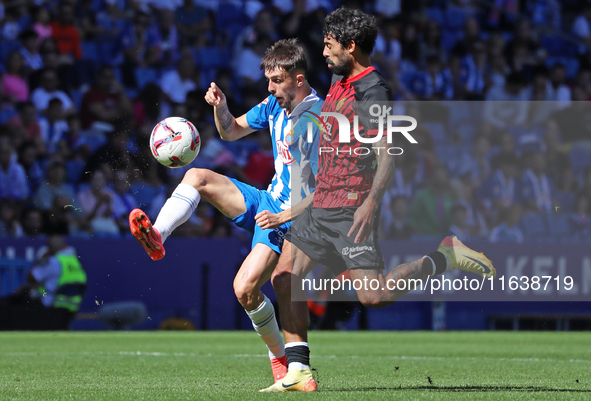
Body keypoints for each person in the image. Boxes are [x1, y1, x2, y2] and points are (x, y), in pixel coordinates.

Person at [256, 8, 496, 392]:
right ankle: (299, 370)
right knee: (285, 277)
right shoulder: (338, 77)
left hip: (352, 207)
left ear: (351, 46)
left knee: (374, 296)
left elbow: (387, 153)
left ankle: (444, 257)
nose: (323, 52)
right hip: (321, 204)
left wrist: (370, 203)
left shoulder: (373, 91)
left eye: (330, 45)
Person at [128, 39, 322, 383]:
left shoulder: (316, 120)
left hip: (295, 216)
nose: (269, 87)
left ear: (299, 78)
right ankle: (158, 234)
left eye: (276, 80)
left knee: (245, 289)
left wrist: (282, 216)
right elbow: (231, 131)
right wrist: (221, 107)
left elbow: (324, 190)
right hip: (269, 201)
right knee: (197, 177)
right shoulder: (275, 105)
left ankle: (286, 364)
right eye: (268, 80)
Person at [0, 235, 87, 330]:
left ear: (49, 249)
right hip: (71, 306)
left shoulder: (53, 261)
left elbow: (30, 277)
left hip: (49, 304)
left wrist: (42, 259)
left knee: (16, 299)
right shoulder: (74, 261)